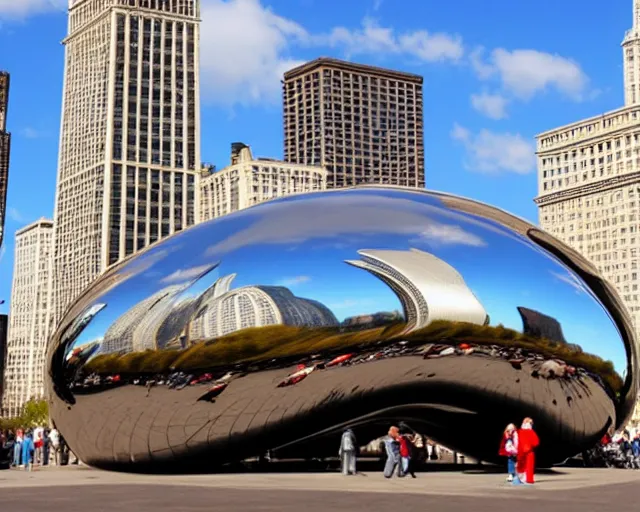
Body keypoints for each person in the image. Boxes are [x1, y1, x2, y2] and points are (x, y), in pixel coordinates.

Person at [515, 418, 540, 485]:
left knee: (520, 466)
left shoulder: (518, 432)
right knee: (529, 466)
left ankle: (520, 479)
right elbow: (536, 442)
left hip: (520, 451)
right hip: (529, 451)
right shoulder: (531, 432)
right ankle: (529, 479)